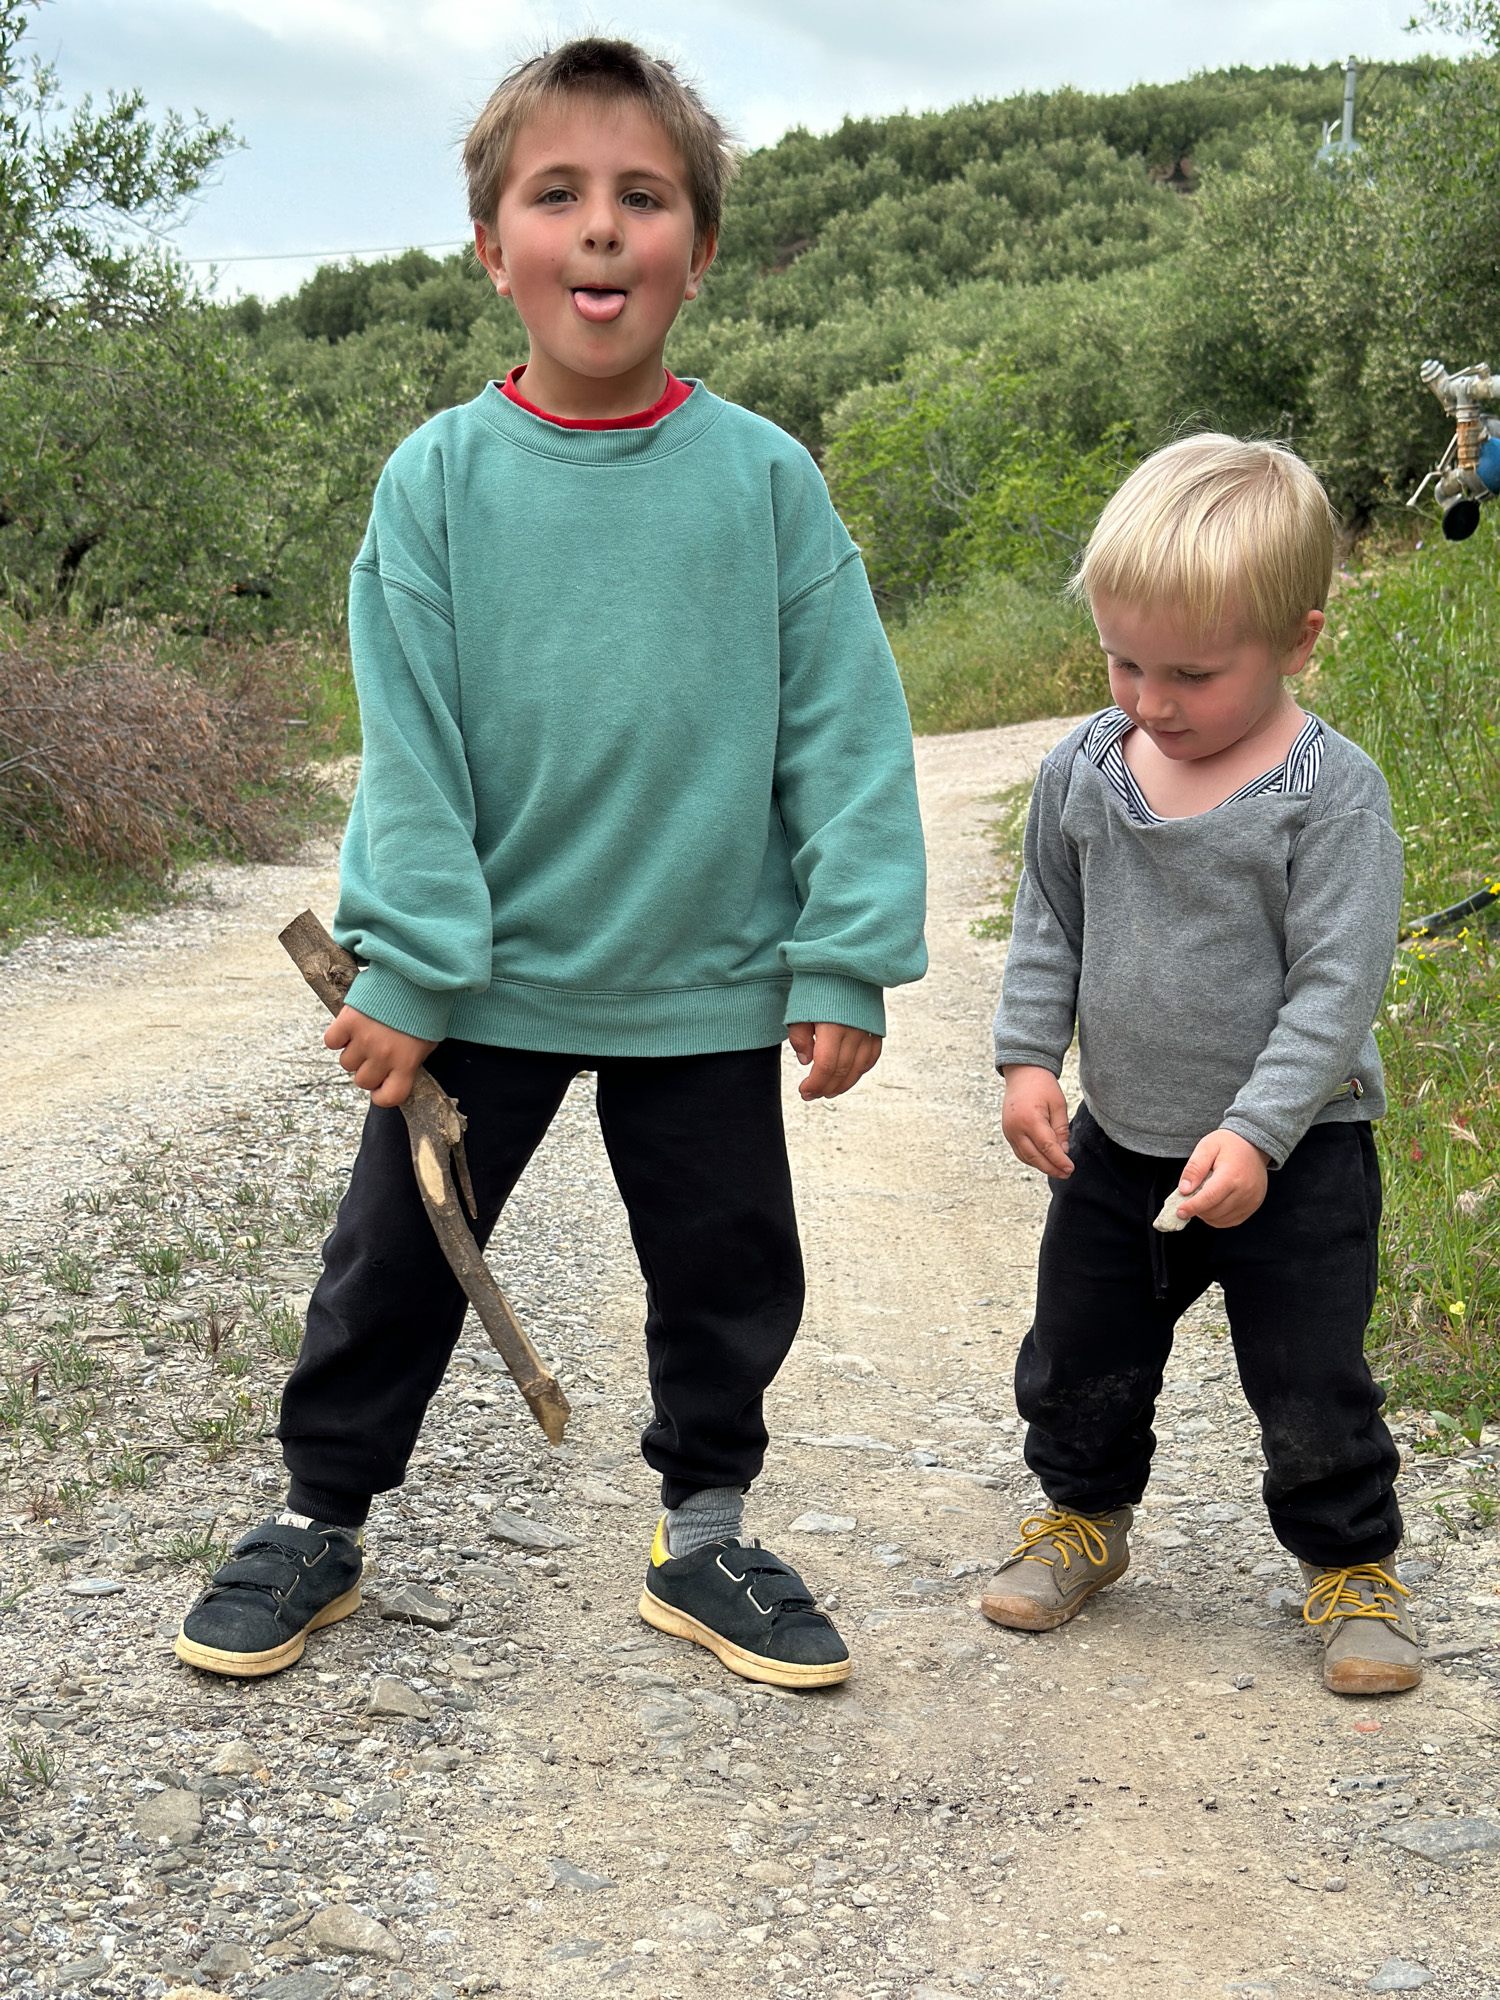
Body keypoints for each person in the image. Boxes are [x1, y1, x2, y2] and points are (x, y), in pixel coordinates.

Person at [174, 37, 926, 1689]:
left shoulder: (765, 483)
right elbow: (411, 752)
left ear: (699, 250)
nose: (600, 227)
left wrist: (844, 952)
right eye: (557, 194)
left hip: (705, 975)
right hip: (482, 986)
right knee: (393, 1258)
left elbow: (847, 732)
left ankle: (707, 1535)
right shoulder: (438, 484)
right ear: (490, 245)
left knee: (729, 1269)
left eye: (642, 197)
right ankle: (318, 1517)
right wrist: (412, 968)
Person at [985, 433, 1420, 1696]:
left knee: (1310, 1375)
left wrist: (1260, 1128)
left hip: (1300, 1154)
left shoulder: (1329, 796)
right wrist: (1027, 1058)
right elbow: (1048, 922)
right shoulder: (1083, 768)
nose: (1151, 700)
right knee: (1079, 1349)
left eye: (1191, 672)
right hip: (1121, 1144)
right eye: (1124, 661)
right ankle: (1082, 1516)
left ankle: (1350, 1566)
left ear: (1298, 640)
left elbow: (1336, 988)